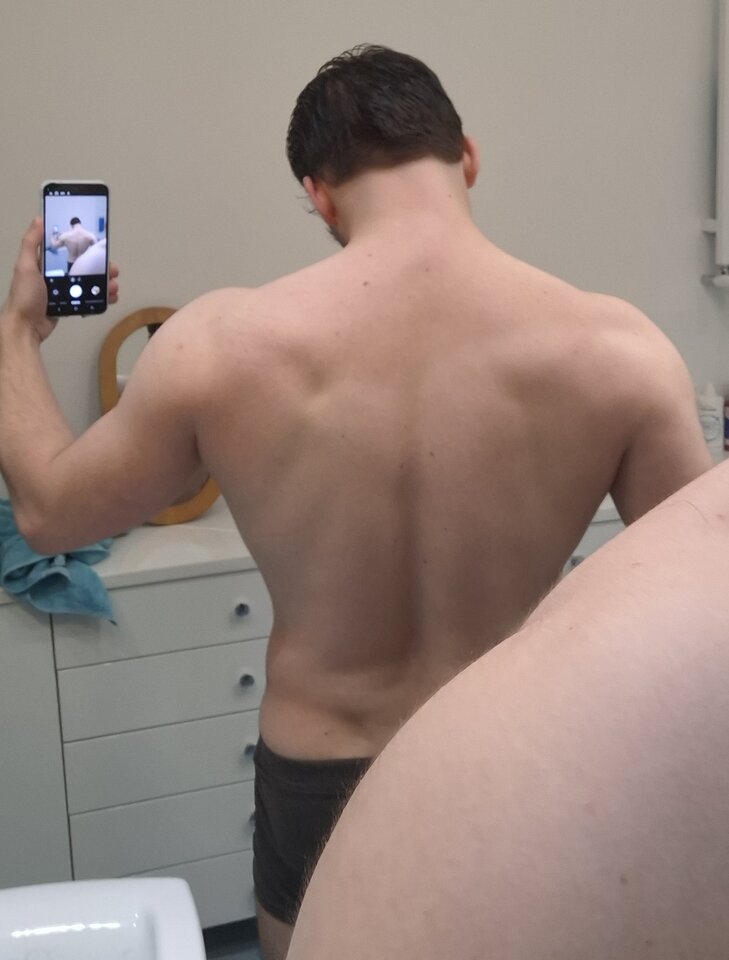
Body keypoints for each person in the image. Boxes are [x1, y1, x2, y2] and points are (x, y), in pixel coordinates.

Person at [0, 44, 711, 960]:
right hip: (518, 753)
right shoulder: (620, 350)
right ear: (467, 157)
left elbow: (49, 513)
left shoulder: (215, 346)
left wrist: (20, 330)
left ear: (321, 196)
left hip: (319, 768)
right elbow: (699, 600)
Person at [287, 458, 729, 959]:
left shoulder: (232, 401)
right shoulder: (623, 400)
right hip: (505, 766)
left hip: (319, 744)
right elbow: (688, 553)